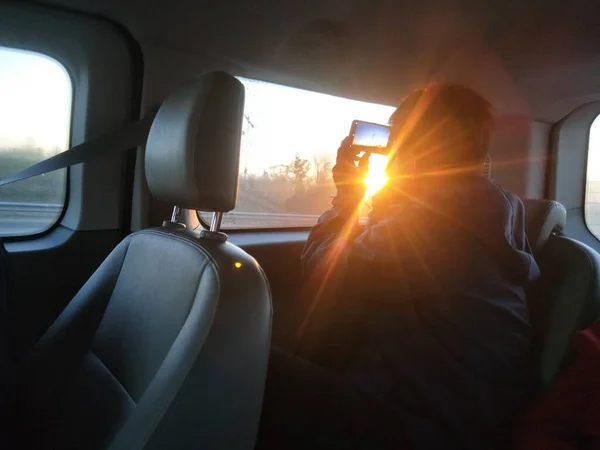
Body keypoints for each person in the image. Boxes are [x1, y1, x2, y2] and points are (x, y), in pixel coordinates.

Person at [292, 83, 540, 449]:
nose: (391, 152)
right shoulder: (499, 211)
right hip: (478, 415)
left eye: (400, 141)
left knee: (253, 371)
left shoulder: (422, 225)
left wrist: (347, 198)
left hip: (420, 424)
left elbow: (320, 275)